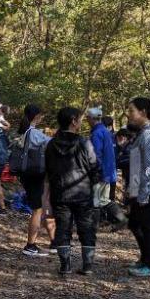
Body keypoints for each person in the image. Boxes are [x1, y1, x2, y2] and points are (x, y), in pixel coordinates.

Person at [45, 107, 101, 275]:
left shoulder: (50, 144)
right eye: (79, 119)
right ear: (73, 121)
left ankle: (65, 265)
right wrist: (95, 188)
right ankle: (88, 265)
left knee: (62, 228)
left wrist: (46, 197)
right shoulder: (84, 143)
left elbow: (47, 171)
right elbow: (94, 166)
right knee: (87, 228)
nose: (81, 122)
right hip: (83, 193)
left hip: (60, 193)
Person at [126, 97, 150, 278]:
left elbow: (148, 166)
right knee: (134, 223)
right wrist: (131, 188)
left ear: (142, 112)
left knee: (147, 227)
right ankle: (146, 258)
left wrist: (142, 194)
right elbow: (136, 163)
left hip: (148, 190)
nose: (128, 114)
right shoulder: (143, 132)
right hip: (139, 188)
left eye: (131, 110)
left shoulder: (149, 134)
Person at [19, 105, 56, 256]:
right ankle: (30, 245)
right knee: (38, 210)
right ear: (35, 116)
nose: (41, 118)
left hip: (28, 175)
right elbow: (52, 144)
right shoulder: (33, 133)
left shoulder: (25, 131)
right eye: (40, 115)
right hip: (34, 175)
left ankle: (55, 241)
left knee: (43, 207)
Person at [86, 107, 116, 211]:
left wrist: (94, 171)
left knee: (96, 201)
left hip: (100, 172)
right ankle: (119, 218)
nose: (86, 120)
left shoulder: (96, 133)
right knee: (103, 200)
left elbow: (96, 155)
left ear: (91, 118)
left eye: (87, 118)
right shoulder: (105, 131)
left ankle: (118, 218)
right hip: (108, 170)